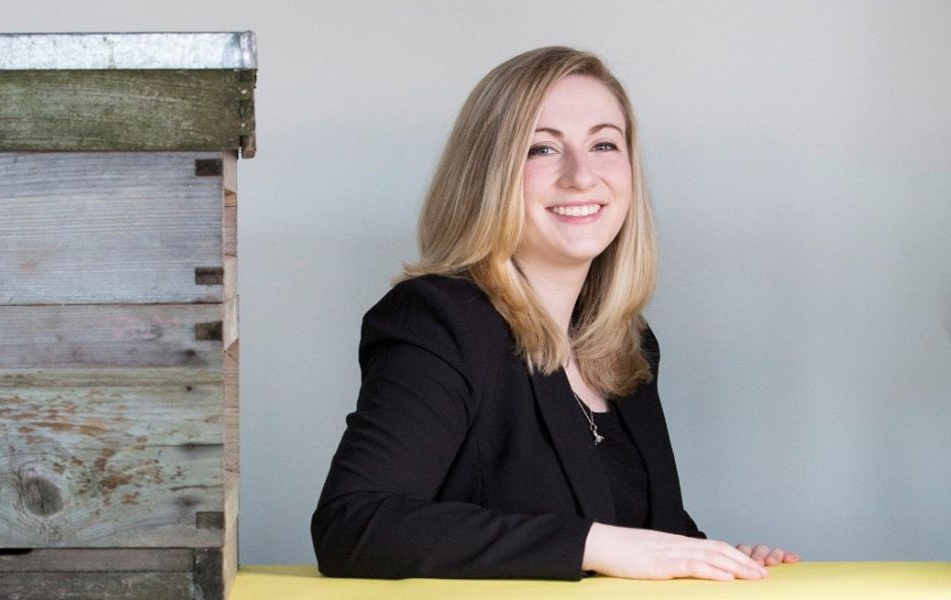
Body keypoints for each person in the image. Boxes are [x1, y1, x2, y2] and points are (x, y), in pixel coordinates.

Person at [311, 46, 799, 581]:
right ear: (488, 174)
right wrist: (596, 545)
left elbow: (624, 523)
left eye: (605, 144)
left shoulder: (623, 340)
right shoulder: (437, 318)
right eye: (542, 149)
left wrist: (705, 555)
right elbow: (353, 525)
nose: (581, 176)